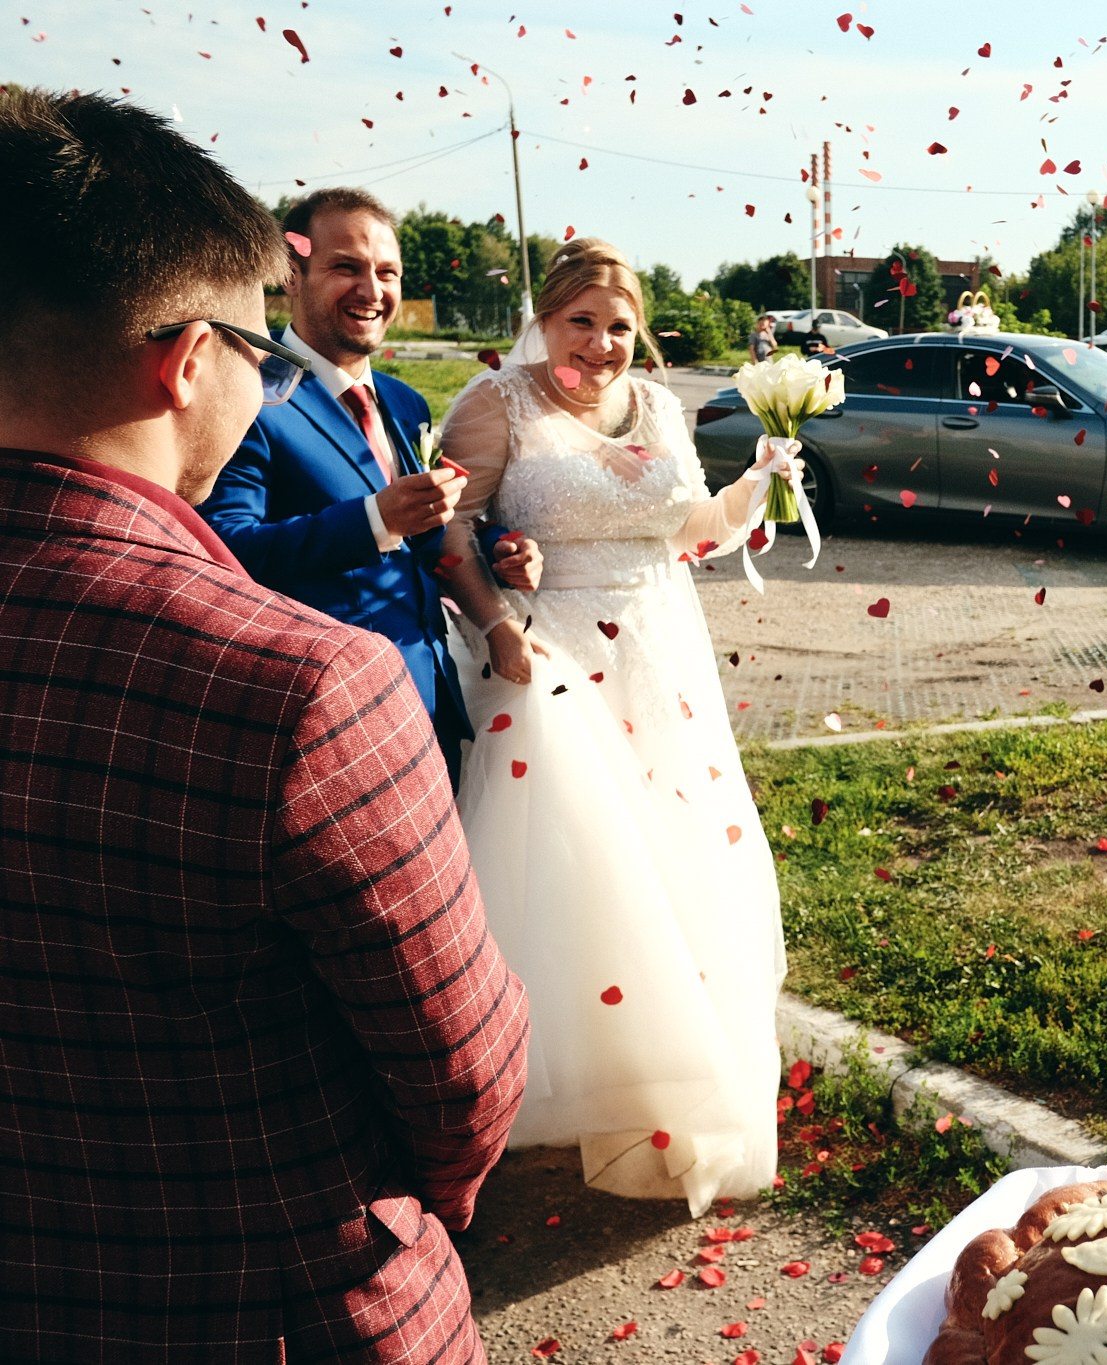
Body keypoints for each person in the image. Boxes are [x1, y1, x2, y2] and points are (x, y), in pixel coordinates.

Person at [0, 88, 527, 1361]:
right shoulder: (293, 691)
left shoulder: (400, 400)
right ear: (188, 362)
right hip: (271, 1297)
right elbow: (464, 1080)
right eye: (253, 352)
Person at [432, 237, 793, 1212]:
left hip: (661, 663)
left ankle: (662, 1093)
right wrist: (496, 624)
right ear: (544, 320)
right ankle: (546, 1092)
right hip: (549, 661)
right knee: (578, 876)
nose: (598, 344)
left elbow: (686, 532)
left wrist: (756, 484)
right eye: (579, 322)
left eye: (618, 326)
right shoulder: (495, 402)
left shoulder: (660, 409)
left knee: (672, 868)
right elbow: (447, 531)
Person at [199, 187, 544, 791]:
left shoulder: (404, 402)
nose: (372, 289)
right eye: (345, 267)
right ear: (291, 274)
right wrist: (373, 519)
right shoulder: (251, 399)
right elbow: (227, 552)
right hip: (323, 721)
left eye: (388, 272)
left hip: (430, 693)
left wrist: (498, 547)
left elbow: (428, 539)